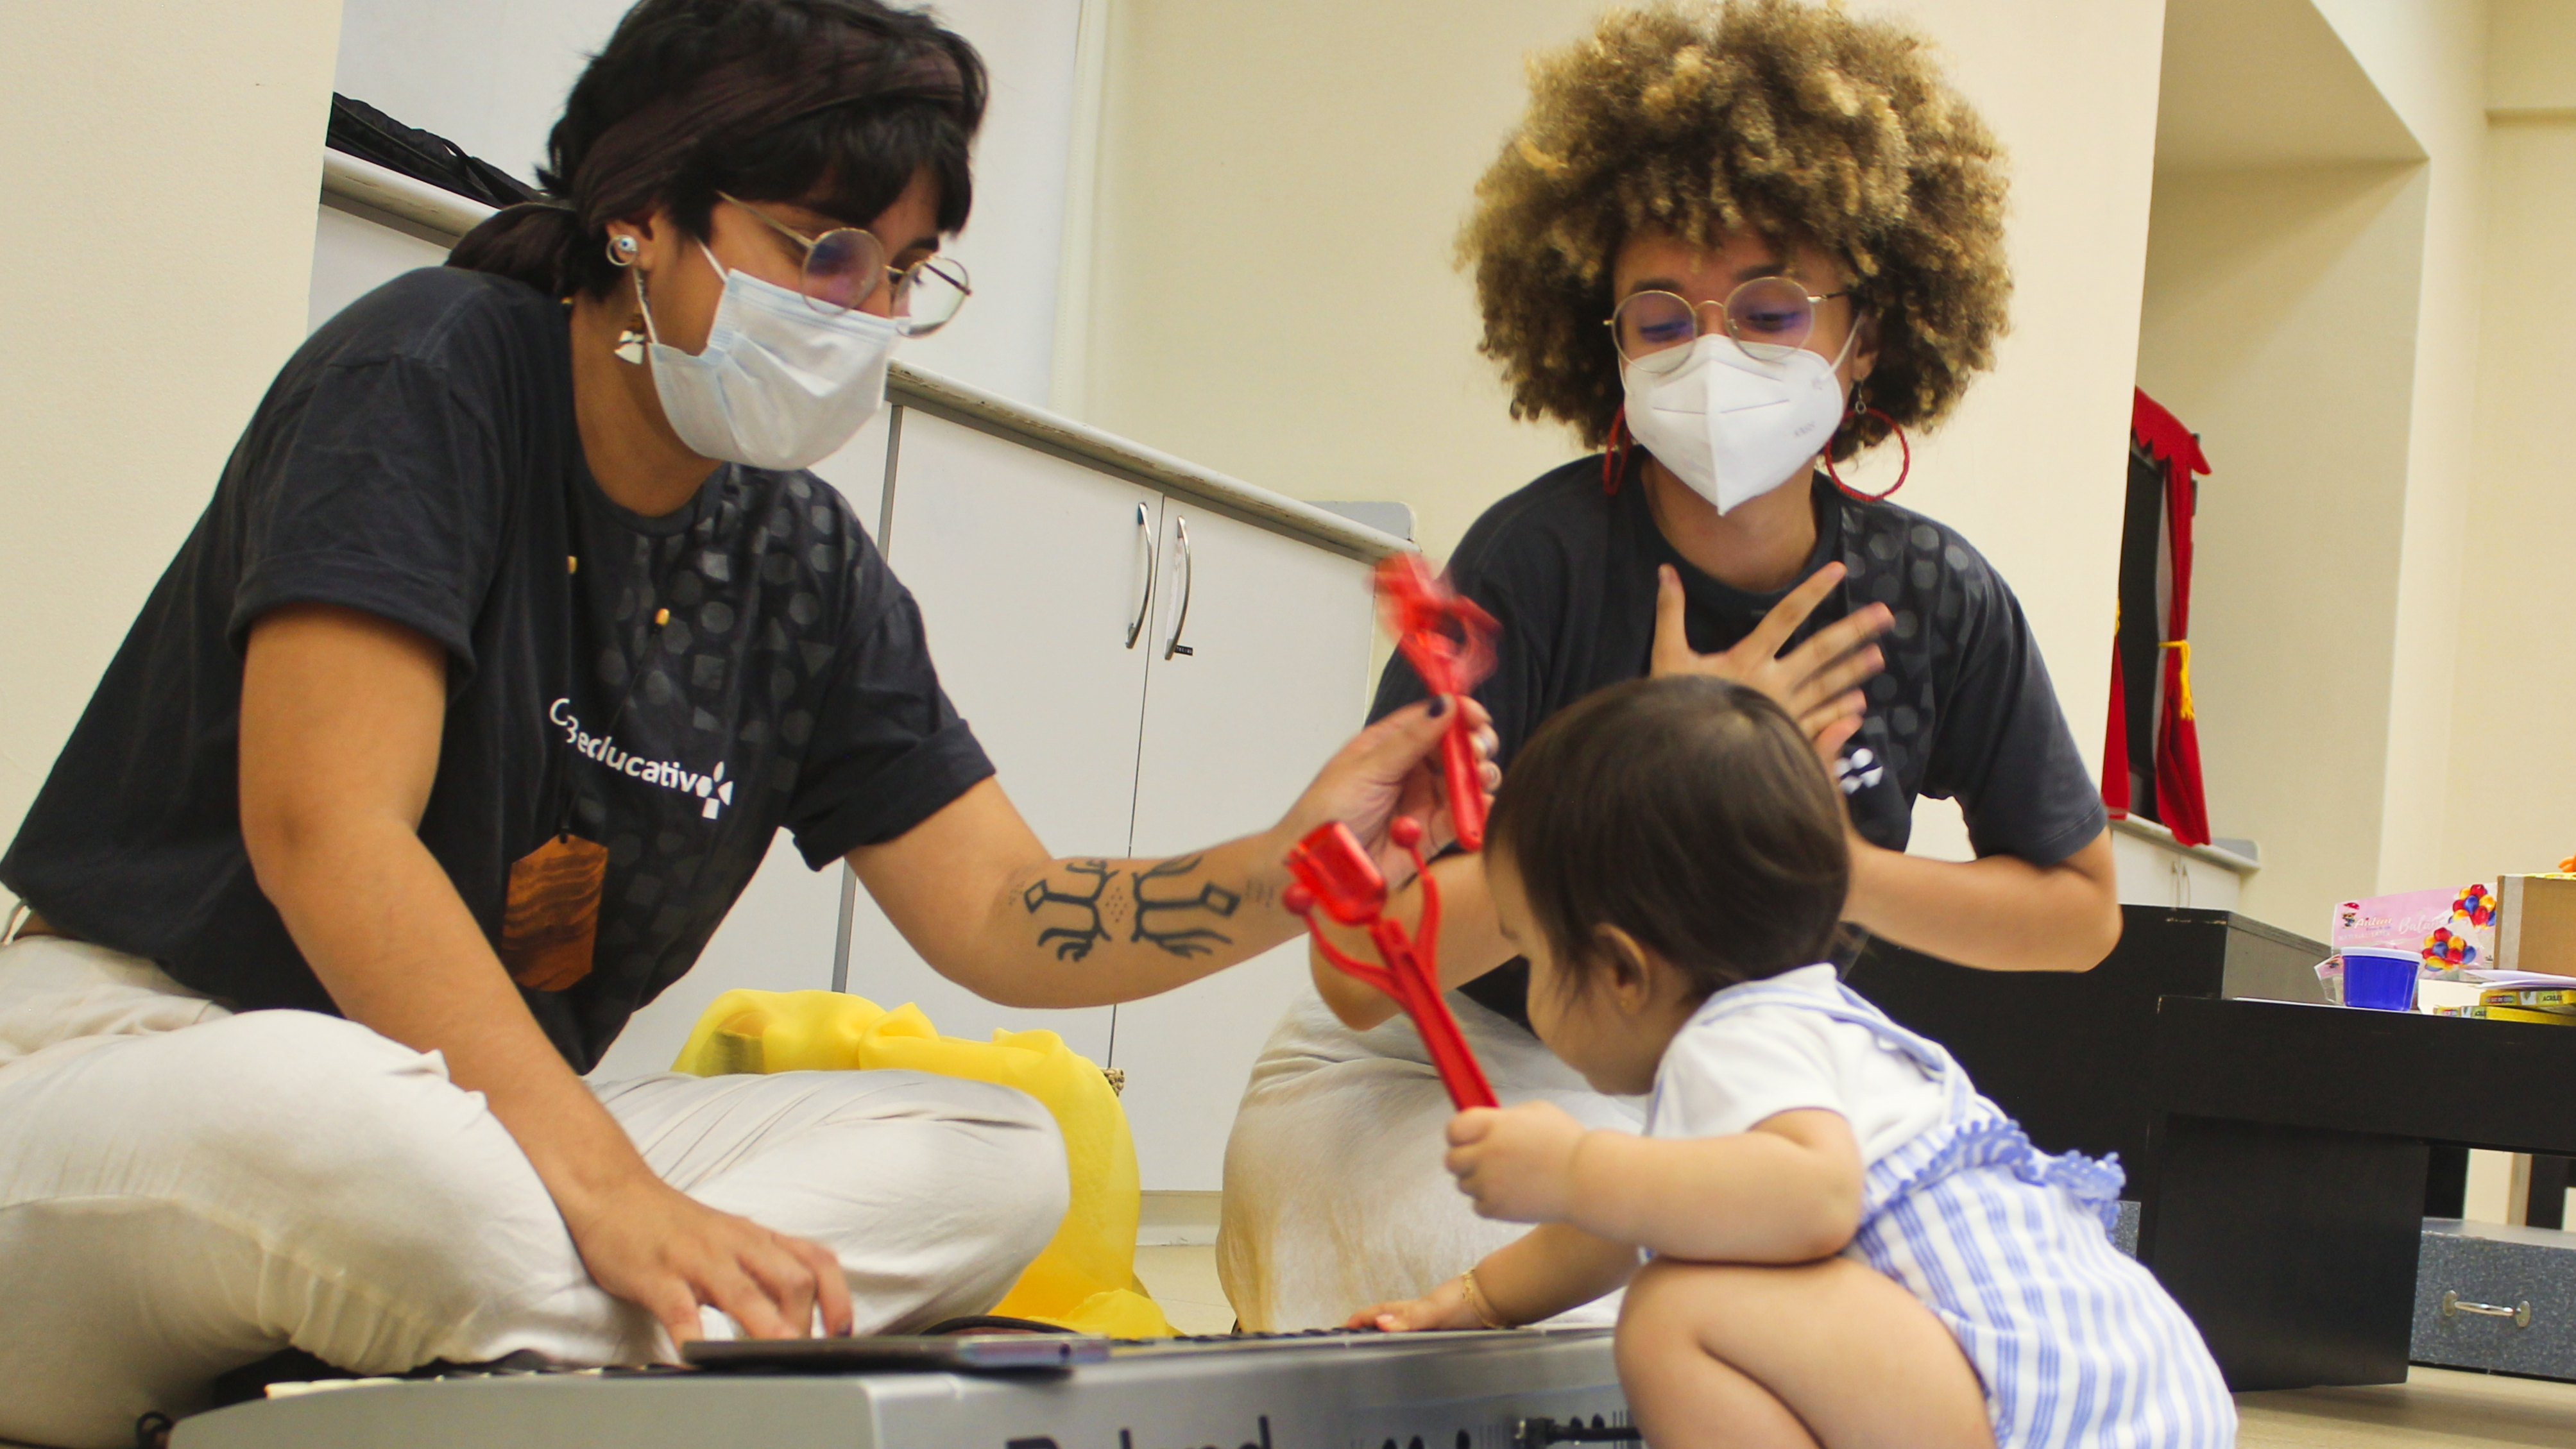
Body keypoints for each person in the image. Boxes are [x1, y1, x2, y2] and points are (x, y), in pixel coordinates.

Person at [0, 1, 1488, 1443]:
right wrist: (614, 1194)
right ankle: (588, 1342)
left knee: (999, 1160)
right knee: (366, 1141)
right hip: (165, 1058)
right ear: (641, 211)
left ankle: (441, 1361)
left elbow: (1001, 913)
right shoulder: (434, 368)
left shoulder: (800, 559)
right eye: (822, 253)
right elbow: (324, 832)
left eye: (906, 271)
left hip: (484, 1145)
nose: (868, 314)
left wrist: (1295, 859)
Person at [1220, 0, 2122, 1330]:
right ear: (1606, 342)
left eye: (1770, 310)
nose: (1714, 354)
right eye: (1662, 319)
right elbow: (1358, 978)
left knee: (1934, 1311)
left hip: (1738, 1078)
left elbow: (2077, 916)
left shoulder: (1933, 596)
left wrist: (1793, 840)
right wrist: (1664, 769)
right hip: (1438, 1071)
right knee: (1638, 1302)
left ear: (1866, 337)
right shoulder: (1537, 558)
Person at [1352, 676, 2232, 1449]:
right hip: (2130, 1395)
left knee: (1674, 1313)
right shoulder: (1805, 1022)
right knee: (1689, 1265)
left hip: (2042, 1419)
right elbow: (1615, 1224)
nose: (1530, 985)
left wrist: (1575, 1165)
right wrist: (1473, 1300)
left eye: (1530, 954)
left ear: (1622, 970)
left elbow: (1810, 1197)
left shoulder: (1731, 1044)